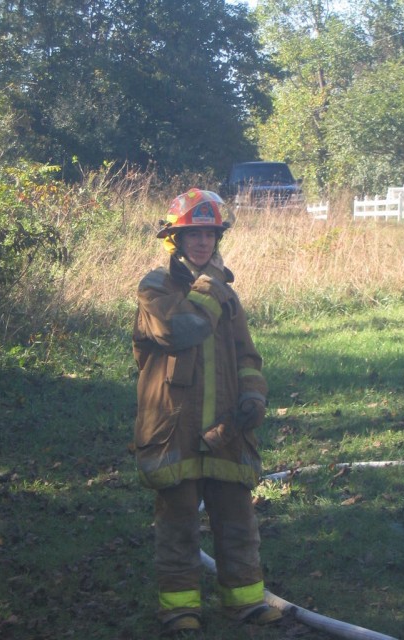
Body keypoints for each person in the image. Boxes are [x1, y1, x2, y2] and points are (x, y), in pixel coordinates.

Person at [132, 188, 282, 637]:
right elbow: (183, 330)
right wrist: (211, 286)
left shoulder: (226, 296)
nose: (202, 242)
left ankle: (245, 602)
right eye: (193, 234)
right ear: (174, 240)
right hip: (174, 425)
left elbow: (246, 356)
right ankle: (180, 609)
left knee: (237, 516)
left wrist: (254, 395)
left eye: (210, 234)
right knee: (178, 520)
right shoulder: (156, 288)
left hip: (226, 428)